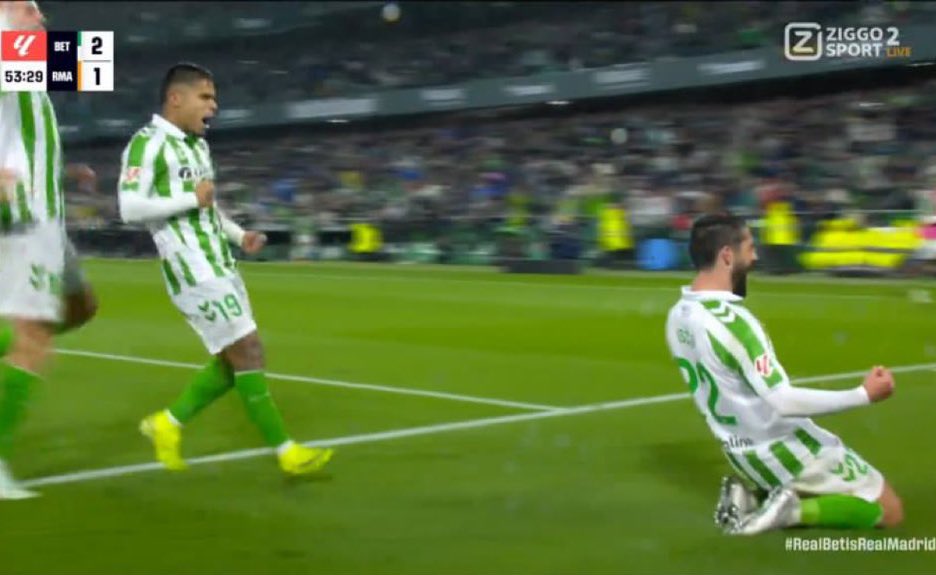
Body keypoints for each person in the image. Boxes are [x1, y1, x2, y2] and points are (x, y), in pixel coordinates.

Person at [117, 62, 333, 476]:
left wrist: (238, 235)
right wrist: (191, 200)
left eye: (213, 98)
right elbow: (129, 208)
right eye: (205, 97)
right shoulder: (147, 143)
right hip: (190, 266)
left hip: (219, 259)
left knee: (231, 360)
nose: (213, 106)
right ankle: (287, 451)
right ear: (175, 98)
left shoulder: (198, 147)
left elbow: (208, 205)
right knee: (248, 349)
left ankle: (167, 423)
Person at [664, 213, 903, 535]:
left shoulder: (677, 316)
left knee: (819, 488)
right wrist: (863, 395)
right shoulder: (734, 323)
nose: (755, 256)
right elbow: (783, 401)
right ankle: (792, 512)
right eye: (750, 247)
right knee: (888, 510)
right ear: (727, 256)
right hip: (785, 448)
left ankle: (753, 497)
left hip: (740, 452)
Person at [0, 0, 99, 500]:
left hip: (47, 215)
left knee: (81, 307)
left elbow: (20, 140)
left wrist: (64, 171)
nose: (40, 17)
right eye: (28, 9)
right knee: (35, 335)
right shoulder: (7, 51)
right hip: (21, 215)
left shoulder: (20, 71)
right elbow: (91, 60)